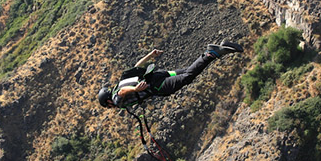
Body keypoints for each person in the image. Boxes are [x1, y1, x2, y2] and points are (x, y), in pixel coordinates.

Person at [97, 41, 243, 109]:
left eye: (108, 106)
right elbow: (137, 67)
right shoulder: (121, 81)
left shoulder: (116, 99)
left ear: (108, 101)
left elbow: (122, 93)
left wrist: (136, 90)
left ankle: (211, 53)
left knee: (187, 77)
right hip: (158, 75)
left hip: (158, 86)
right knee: (187, 71)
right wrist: (150, 55)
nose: (111, 107)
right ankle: (221, 48)